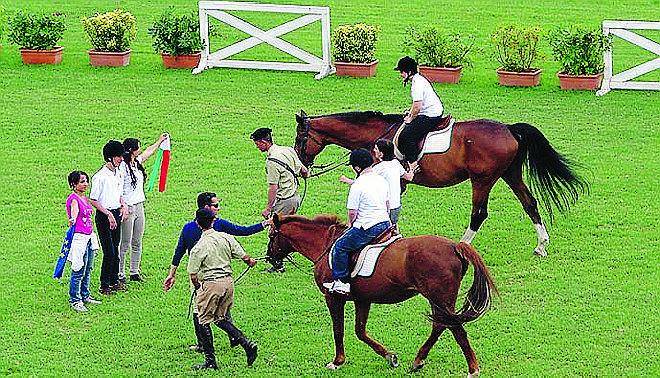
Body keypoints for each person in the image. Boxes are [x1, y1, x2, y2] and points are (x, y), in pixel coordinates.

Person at [163, 192, 269, 353]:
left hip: (203, 279)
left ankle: (207, 352)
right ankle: (237, 340)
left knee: (200, 314)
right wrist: (265, 224)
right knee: (223, 312)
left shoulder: (189, 229)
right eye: (216, 205)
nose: (218, 209)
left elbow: (180, 253)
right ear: (207, 209)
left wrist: (173, 275)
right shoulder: (221, 229)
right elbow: (243, 231)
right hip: (226, 281)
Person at [188, 208, 259, 369]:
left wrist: (199, 287)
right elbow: (245, 257)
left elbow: (193, 275)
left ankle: (210, 361)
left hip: (211, 284)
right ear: (213, 221)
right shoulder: (226, 237)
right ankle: (246, 344)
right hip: (228, 283)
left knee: (203, 320)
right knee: (220, 318)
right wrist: (251, 262)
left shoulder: (199, 247)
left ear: (198, 224)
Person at [324, 149, 390, 295]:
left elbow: (352, 212)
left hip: (368, 226)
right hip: (385, 223)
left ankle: (341, 283)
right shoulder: (381, 179)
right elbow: (387, 204)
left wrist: (351, 224)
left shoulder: (357, 184)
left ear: (357, 168)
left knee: (340, 246)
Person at [250, 127, 309, 273]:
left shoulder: (272, 161)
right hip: (295, 197)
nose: (257, 146)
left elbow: (273, 188)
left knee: (274, 231)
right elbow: (304, 171)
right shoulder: (288, 150)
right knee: (286, 228)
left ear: (264, 142)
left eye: (257, 143)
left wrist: (268, 208)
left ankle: (277, 264)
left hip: (284, 200)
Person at [118, 133, 168, 283]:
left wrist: (160, 141)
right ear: (132, 150)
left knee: (137, 241)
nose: (140, 150)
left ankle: (134, 271)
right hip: (128, 207)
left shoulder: (136, 163)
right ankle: (120, 273)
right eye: (138, 147)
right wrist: (123, 206)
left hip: (139, 205)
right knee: (125, 242)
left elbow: (148, 152)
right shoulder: (122, 167)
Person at [340, 139, 414, 226]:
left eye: (376, 149)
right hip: (396, 205)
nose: (374, 150)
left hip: (386, 207)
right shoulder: (396, 163)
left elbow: (361, 183)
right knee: (392, 229)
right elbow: (409, 177)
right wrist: (411, 169)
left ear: (381, 154)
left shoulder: (379, 168)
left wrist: (346, 180)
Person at [90, 140, 128, 295]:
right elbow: (93, 199)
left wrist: (123, 205)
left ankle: (114, 280)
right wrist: (107, 213)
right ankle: (104, 284)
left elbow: (118, 194)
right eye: (118, 156)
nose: (120, 159)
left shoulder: (118, 173)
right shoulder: (100, 177)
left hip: (116, 212)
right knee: (109, 251)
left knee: (116, 248)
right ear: (110, 157)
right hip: (105, 215)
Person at [394, 56, 444, 171]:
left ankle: (413, 164)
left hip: (431, 115)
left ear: (409, 72)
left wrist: (410, 118)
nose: (401, 74)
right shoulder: (418, 79)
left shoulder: (417, 84)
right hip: (430, 111)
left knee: (406, 136)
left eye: (402, 72)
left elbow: (417, 106)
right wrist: (410, 113)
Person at [66, 171, 102, 312]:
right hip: (79, 238)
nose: (85, 184)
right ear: (74, 184)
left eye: (86, 181)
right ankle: (75, 299)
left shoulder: (85, 198)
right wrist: (73, 219)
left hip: (88, 236)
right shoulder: (74, 198)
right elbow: (74, 211)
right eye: (82, 181)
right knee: (78, 268)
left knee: (88, 268)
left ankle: (85, 295)